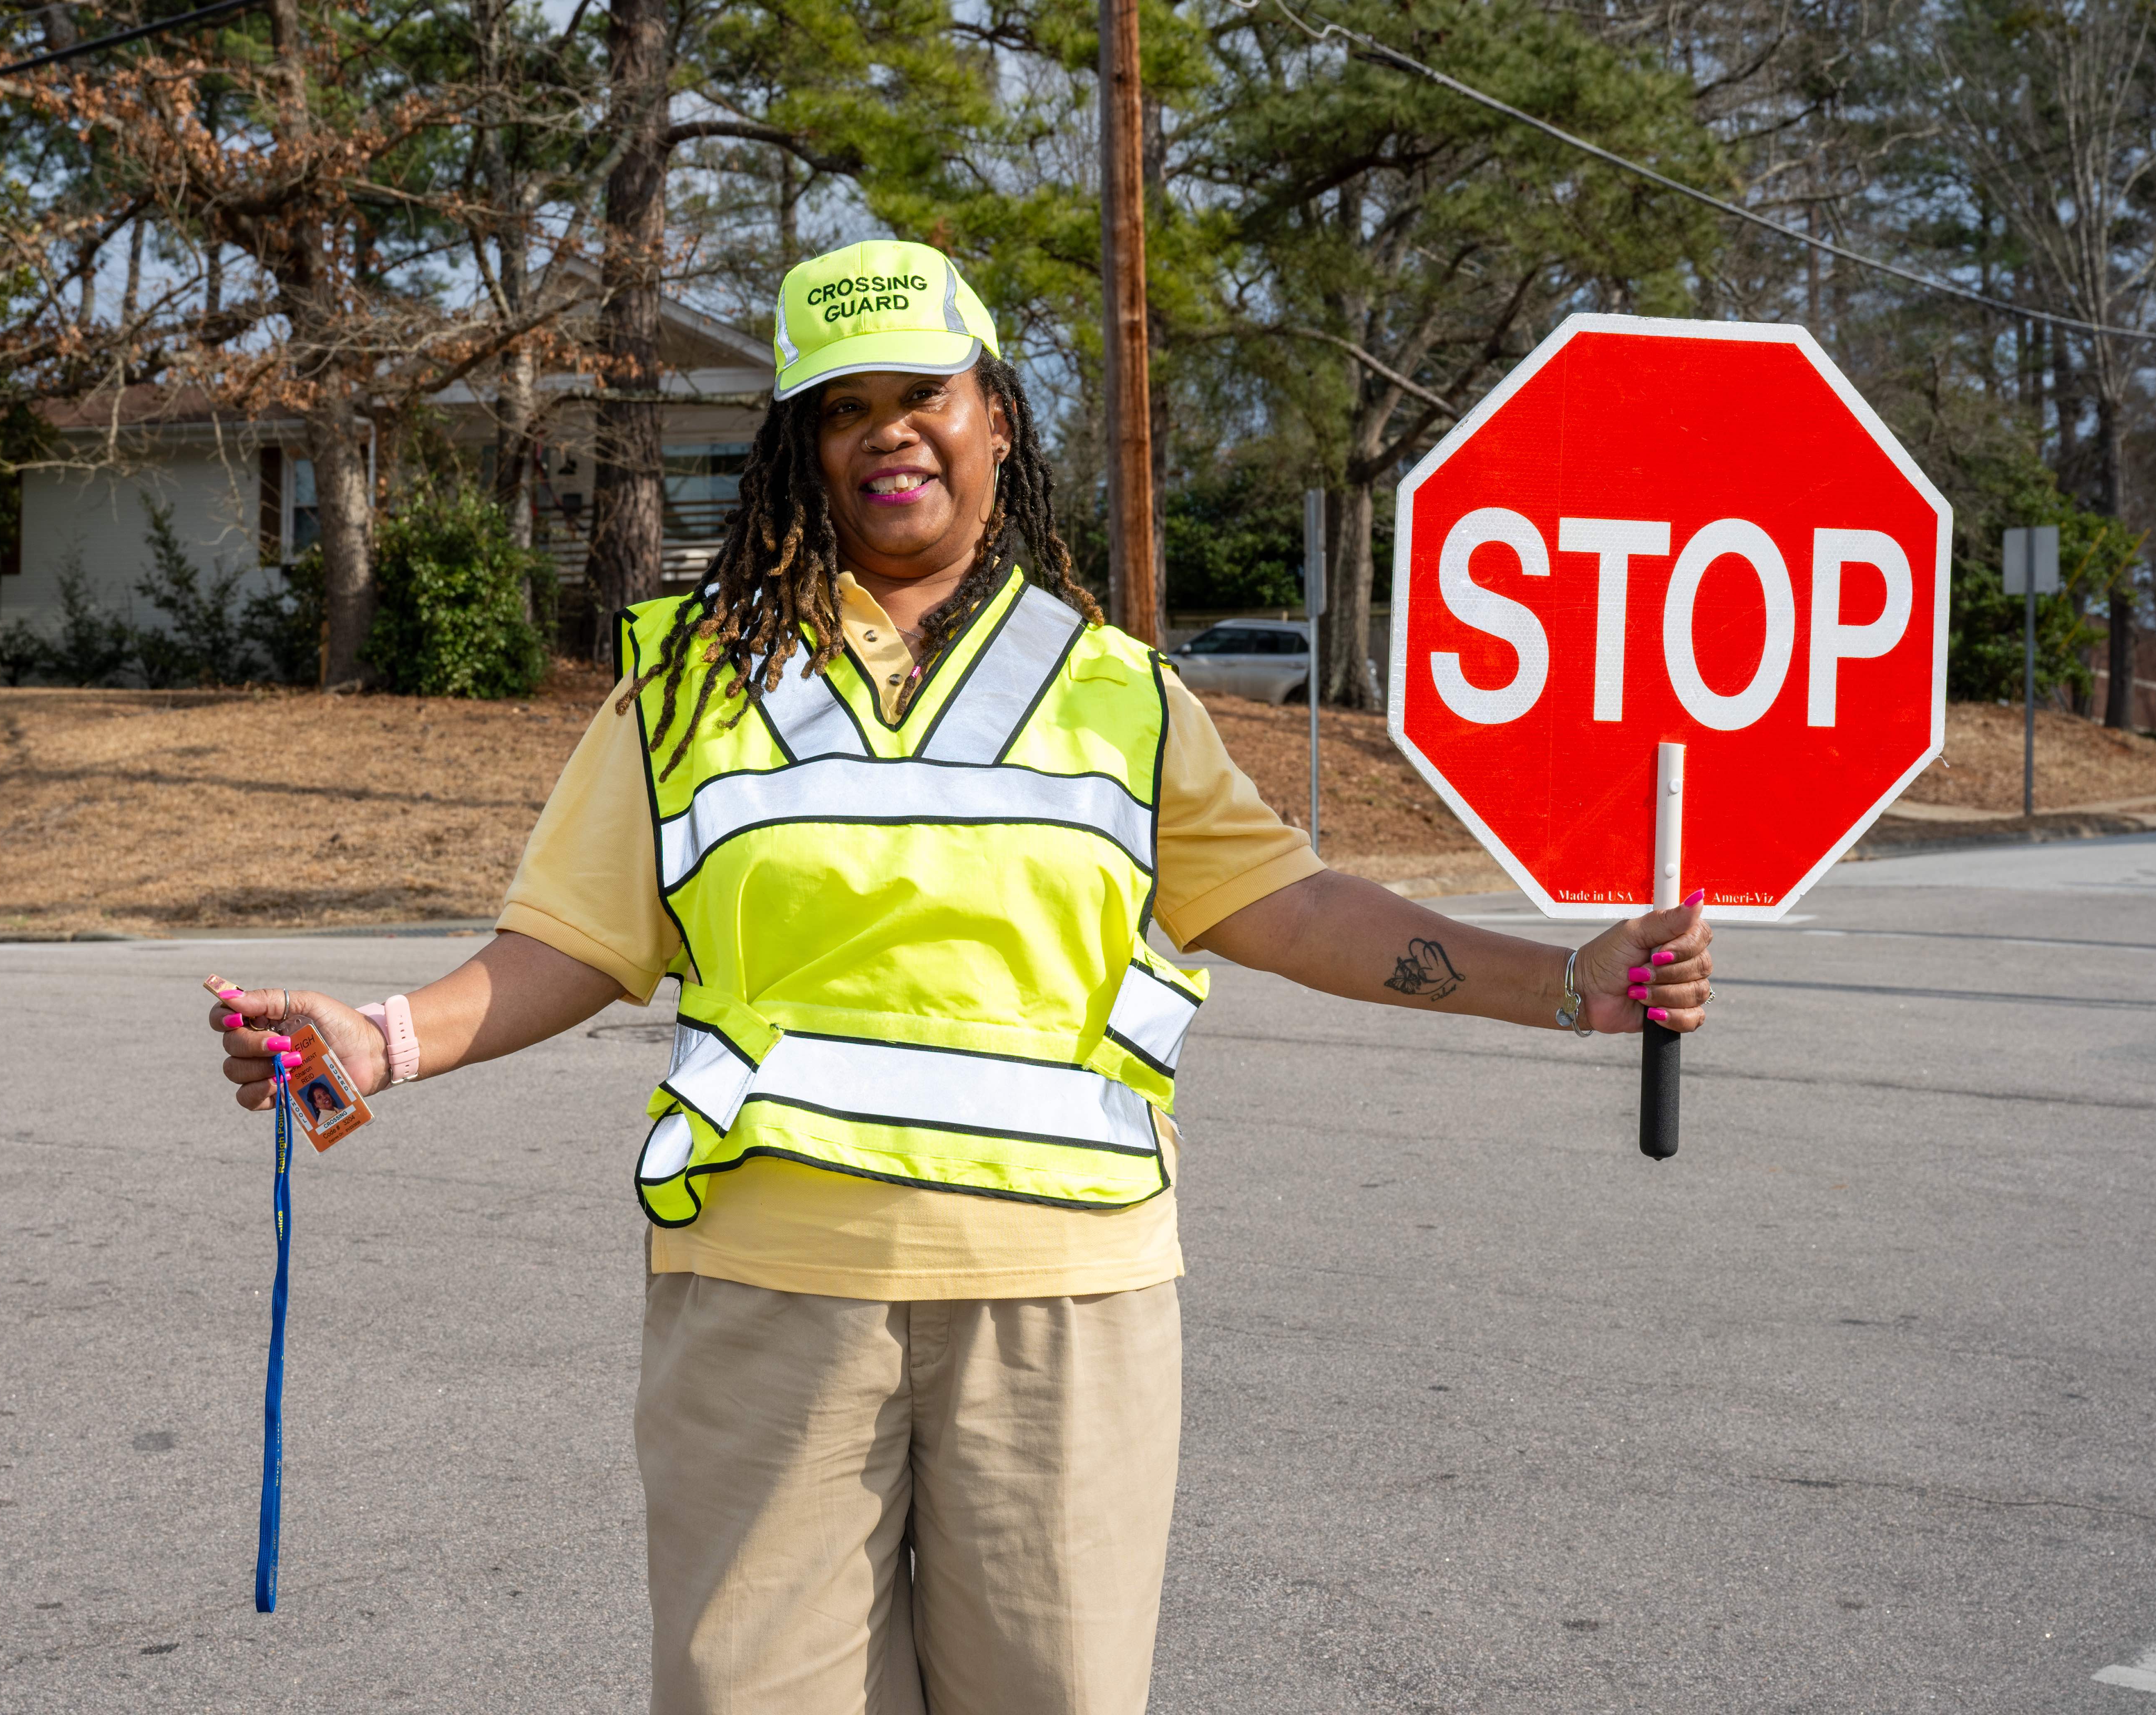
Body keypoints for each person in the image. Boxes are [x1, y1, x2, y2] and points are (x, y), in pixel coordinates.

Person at [207, 237, 1716, 1715]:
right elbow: (572, 946)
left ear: (996, 412)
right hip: (769, 1295)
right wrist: (384, 1038)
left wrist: (1569, 983)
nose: (890, 436)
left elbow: (1293, 905)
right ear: (804, 449)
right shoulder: (682, 682)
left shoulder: (1120, 693)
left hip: (1063, 1298)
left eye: (922, 393)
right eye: (845, 410)